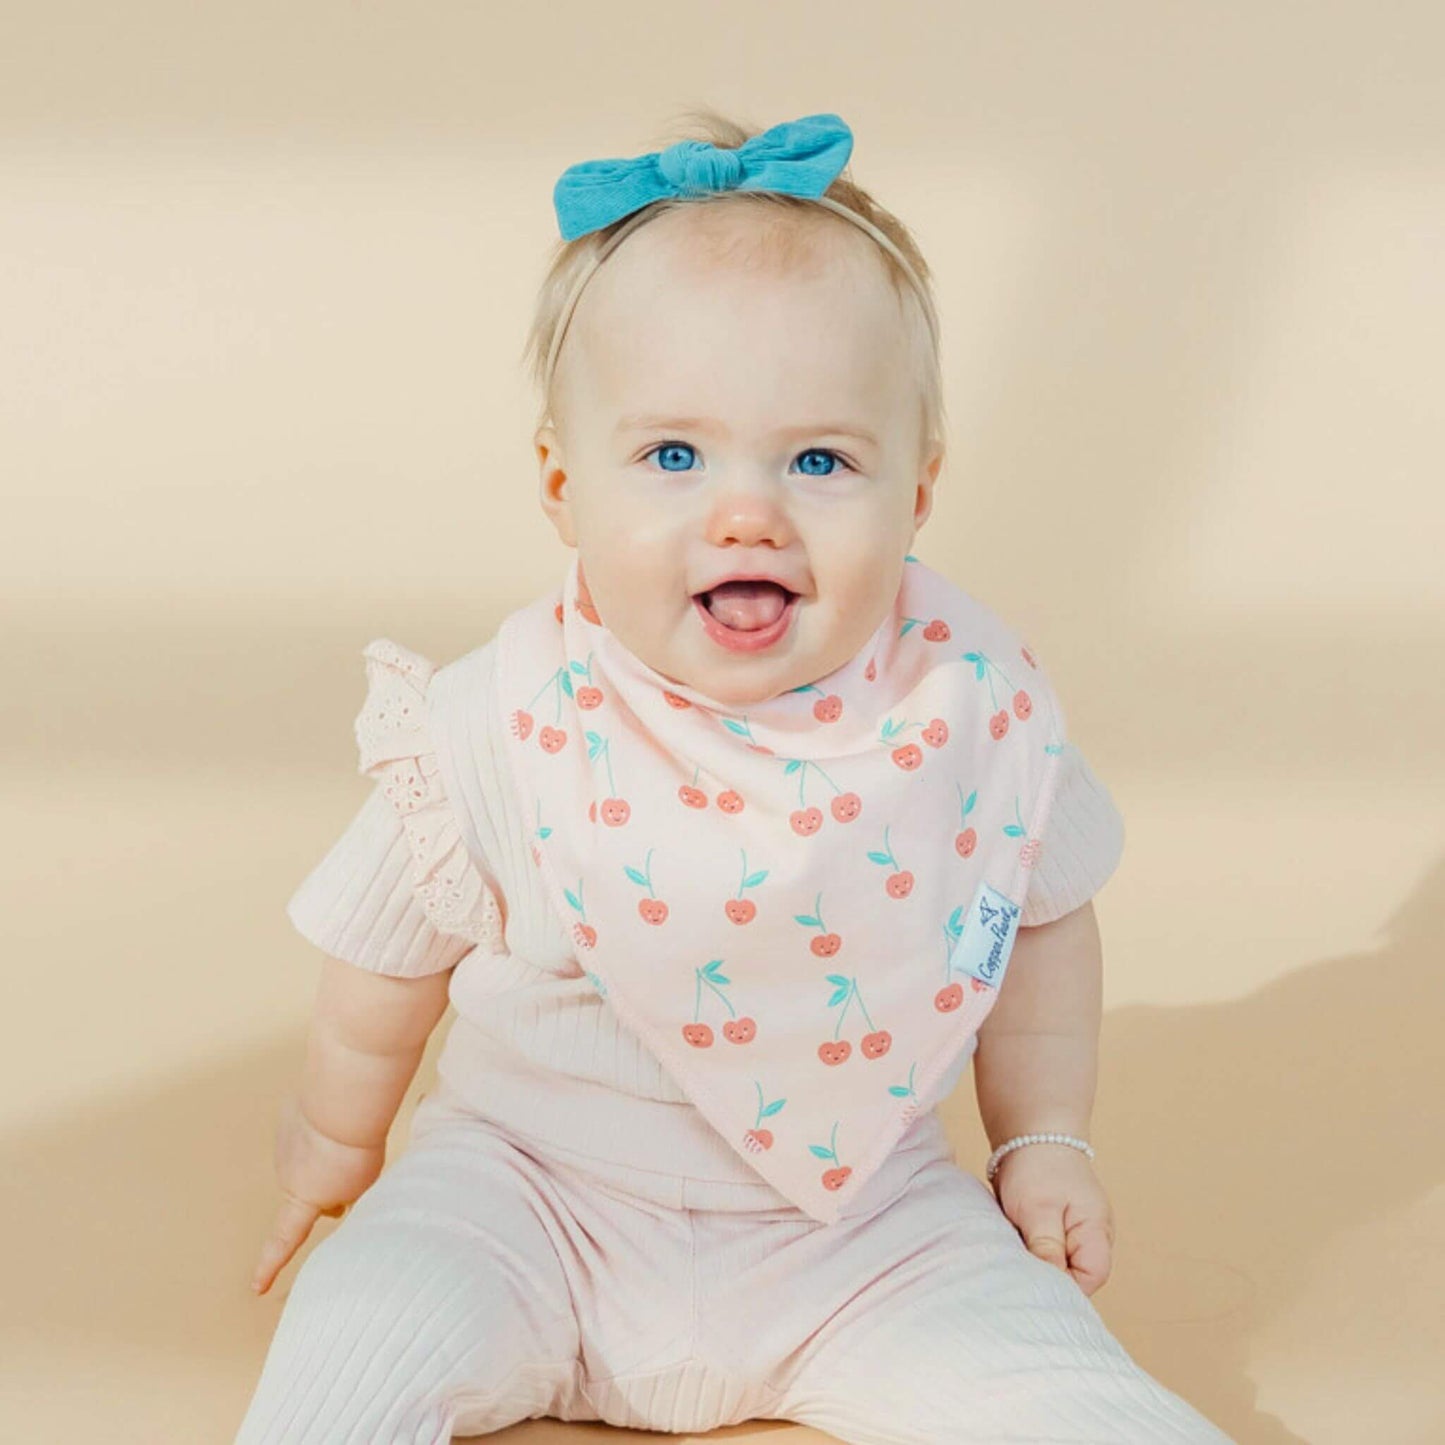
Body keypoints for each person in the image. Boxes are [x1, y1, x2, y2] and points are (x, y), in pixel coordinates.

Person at [234, 110, 1234, 1443]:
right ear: (562, 485)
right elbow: (380, 972)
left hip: (867, 1234)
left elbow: (1037, 917)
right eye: (672, 456)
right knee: (362, 1335)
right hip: (528, 1200)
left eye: (820, 460)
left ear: (918, 491)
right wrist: (335, 1141)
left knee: (1086, 1409)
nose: (747, 512)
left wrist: (1043, 1134)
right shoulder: (499, 718)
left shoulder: (962, 707)